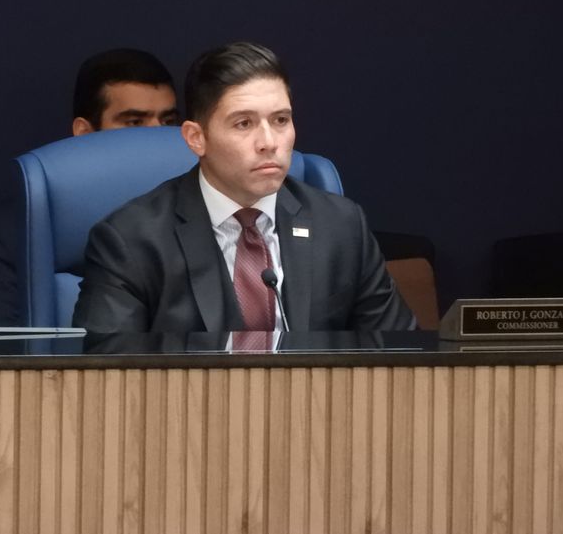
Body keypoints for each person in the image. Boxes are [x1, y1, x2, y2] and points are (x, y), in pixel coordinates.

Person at [72, 42, 414, 333]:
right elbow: (109, 381)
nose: (269, 142)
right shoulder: (131, 241)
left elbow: (401, 356)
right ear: (196, 138)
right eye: (244, 123)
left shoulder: (340, 226)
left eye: (280, 120)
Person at [0, 48, 178, 325]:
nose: (157, 138)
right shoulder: (16, 231)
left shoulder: (210, 216)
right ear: (84, 134)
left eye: (169, 122)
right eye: (134, 123)